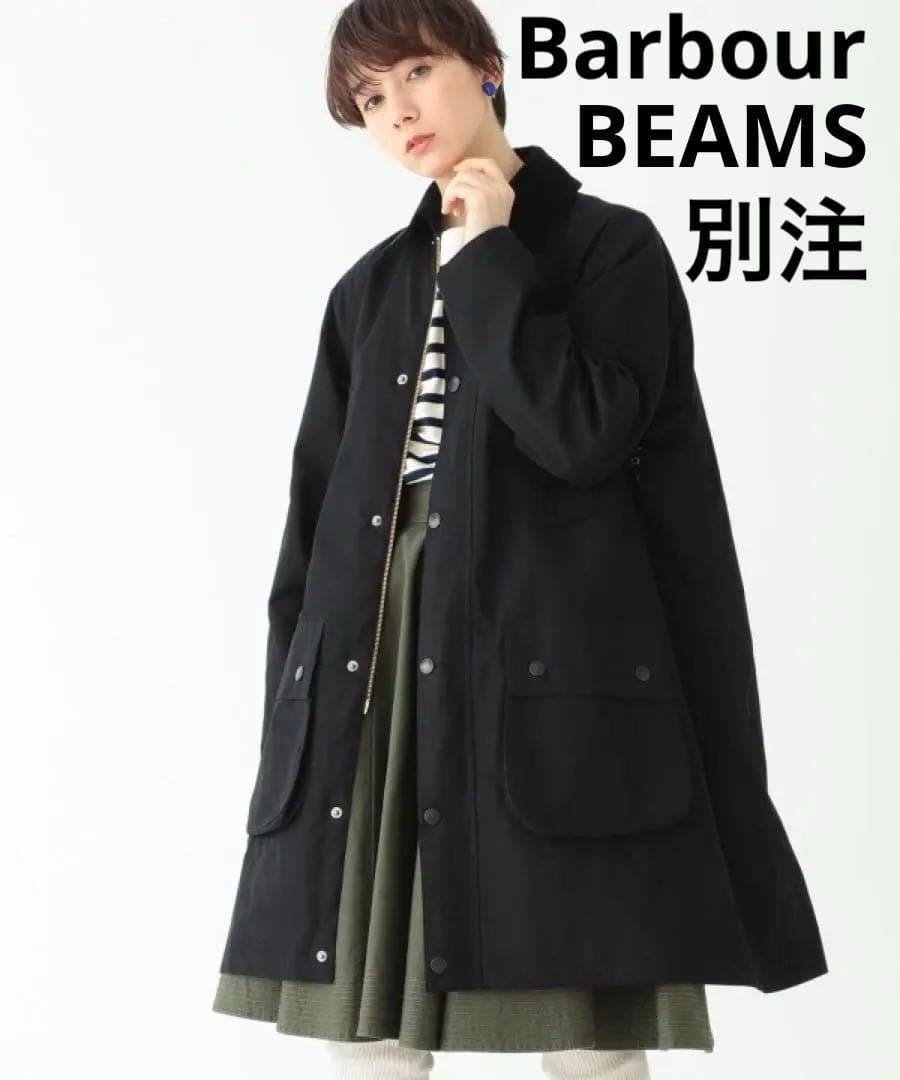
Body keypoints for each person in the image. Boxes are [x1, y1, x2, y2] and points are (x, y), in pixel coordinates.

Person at [212, 0, 827, 1076]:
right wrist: (293, 735)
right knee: (370, 1040)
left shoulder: (607, 249)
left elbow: (584, 435)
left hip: (545, 672)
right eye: (369, 99)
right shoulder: (366, 294)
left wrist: (488, 254)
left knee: (584, 1036)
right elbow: (309, 546)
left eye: (415, 72)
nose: (397, 113)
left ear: (486, 67)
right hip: (375, 675)